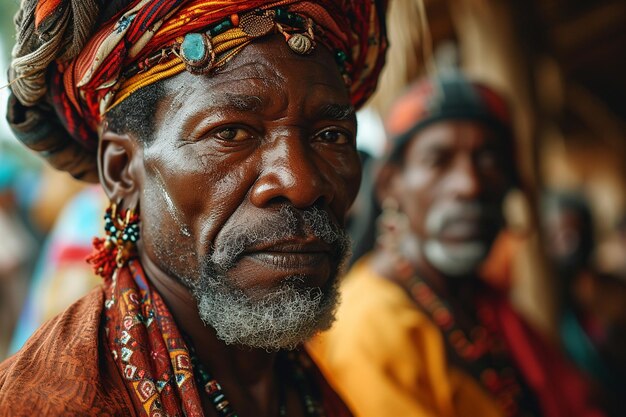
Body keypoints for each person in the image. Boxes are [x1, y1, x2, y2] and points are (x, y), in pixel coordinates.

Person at [0, 1, 388, 415]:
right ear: (121, 172)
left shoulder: (300, 382)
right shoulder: (49, 402)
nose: (300, 183)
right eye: (231, 132)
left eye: (331, 136)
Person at [308, 73, 605, 417]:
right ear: (391, 185)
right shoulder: (370, 327)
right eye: (439, 160)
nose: (470, 184)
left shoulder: (481, 304)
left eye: (489, 159)